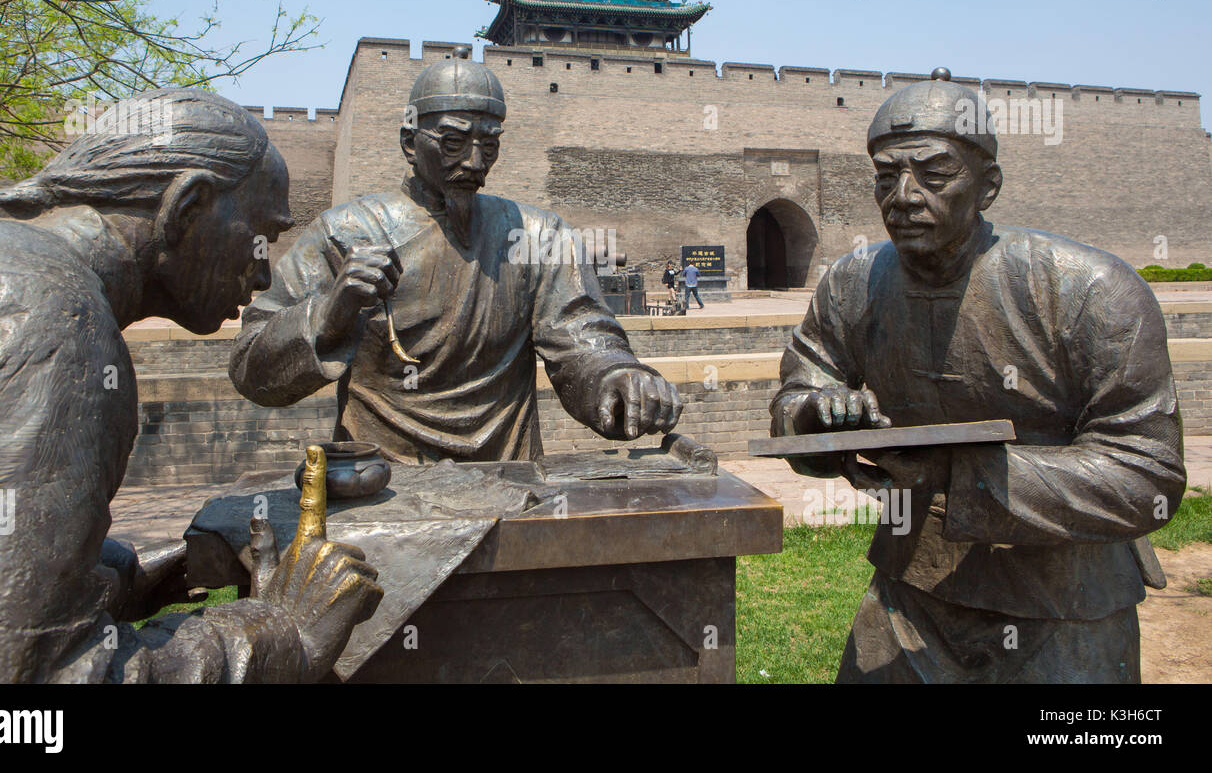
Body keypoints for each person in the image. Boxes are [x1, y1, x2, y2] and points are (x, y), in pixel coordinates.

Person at [0, 89, 382, 682]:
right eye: (261, 238)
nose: (263, 273)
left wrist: (128, 581)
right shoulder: (48, 323)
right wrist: (280, 631)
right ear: (186, 208)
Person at [768, 68, 1185, 683]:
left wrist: (961, 474)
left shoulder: (1091, 290)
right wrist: (816, 415)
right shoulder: (853, 283)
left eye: (934, 175)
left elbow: (1146, 473)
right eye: (887, 177)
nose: (904, 196)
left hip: (1065, 603)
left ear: (987, 185)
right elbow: (797, 392)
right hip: (913, 591)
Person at [230, 58, 682, 462]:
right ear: (410, 142)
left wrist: (619, 378)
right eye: (452, 141)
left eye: (490, 144)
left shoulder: (540, 235)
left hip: (506, 475)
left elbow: (582, 339)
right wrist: (329, 314)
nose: (474, 161)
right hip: (383, 486)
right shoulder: (344, 232)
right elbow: (252, 368)